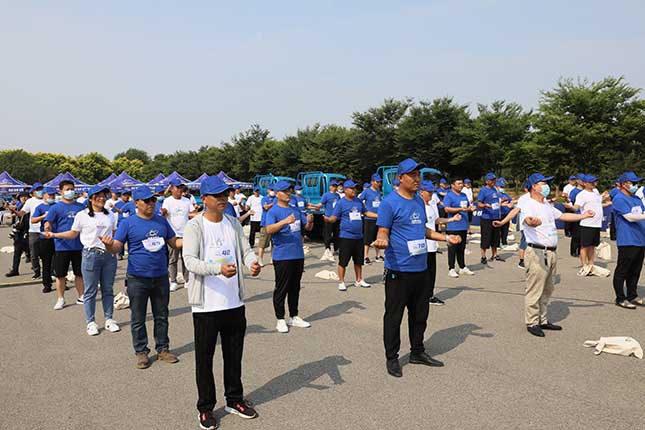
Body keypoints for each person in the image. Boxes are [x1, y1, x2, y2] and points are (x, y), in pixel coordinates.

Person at [183, 176, 261, 428]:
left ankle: (234, 399)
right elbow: (190, 262)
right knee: (204, 359)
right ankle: (205, 407)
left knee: (233, 355)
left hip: (233, 303)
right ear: (204, 198)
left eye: (225, 194)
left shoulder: (233, 223)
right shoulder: (195, 226)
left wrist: (251, 263)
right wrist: (217, 268)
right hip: (206, 306)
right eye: (217, 195)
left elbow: (245, 250)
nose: (222, 199)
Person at [372, 158, 461, 377]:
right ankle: (392, 358)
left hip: (420, 269)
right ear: (400, 178)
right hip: (398, 270)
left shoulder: (419, 202)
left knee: (420, 315)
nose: (417, 179)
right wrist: (382, 240)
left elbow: (422, 230)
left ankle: (417, 351)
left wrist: (446, 238)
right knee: (394, 317)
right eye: (412, 175)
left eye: (418, 175)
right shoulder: (389, 203)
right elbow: (383, 231)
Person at [493, 173, 594, 337]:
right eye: (543, 183)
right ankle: (532, 322)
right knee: (535, 289)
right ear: (534, 186)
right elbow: (526, 219)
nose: (546, 186)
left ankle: (543, 319)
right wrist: (531, 222)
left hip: (551, 252)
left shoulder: (546, 204)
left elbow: (562, 216)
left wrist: (583, 216)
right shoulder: (528, 203)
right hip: (537, 252)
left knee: (547, 289)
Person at [102, 185, 182, 369]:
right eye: (147, 200)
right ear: (136, 202)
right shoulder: (128, 223)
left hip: (160, 277)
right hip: (138, 278)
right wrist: (108, 245)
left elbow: (174, 242)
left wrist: (192, 240)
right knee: (138, 318)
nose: (151, 203)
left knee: (161, 315)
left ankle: (162, 349)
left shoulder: (162, 222)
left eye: (153, 200)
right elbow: (116, 247)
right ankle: (141, 352)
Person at [45, 185, 121, 336]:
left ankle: (109, 319)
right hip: (90, 255)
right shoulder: (82, 215)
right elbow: (73, 234)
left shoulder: (110, 215)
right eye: (98, 196)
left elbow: (114, 233)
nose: (101, 198)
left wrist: (114, 245)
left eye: (103, 195)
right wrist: (55, 235)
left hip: (109, 255)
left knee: (107, 289)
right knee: (90, 291)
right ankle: (91, 322)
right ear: (91, 198)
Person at [265, 180, 314, 333]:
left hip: (297, 254)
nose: (288, 194)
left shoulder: (296, 210)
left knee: (295, 287)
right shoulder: (273, 211)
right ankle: (280, 319)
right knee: (282, 288)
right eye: (285, 191)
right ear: (277, 194)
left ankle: (294, 316)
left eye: (289, 191)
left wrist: (310, 222)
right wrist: (285, 221)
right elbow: (269, 229)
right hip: (282, 256)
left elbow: (305, 228)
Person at [43, 180, 86, 310]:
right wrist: (47, 226)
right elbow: (48, 222)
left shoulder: (81, 207)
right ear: (61, 191)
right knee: (60, 274)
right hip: (62, 246)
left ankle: (81, 296)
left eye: (72, 189)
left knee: (80, 273)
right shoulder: (55, 208)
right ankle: (61, 298)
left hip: (79, 245)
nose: (70, 192)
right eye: (67, 189)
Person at [327, 180, 377, 291]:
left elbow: (366, 213)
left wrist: (378, 215)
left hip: (358, 237)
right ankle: (341, 281)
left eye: (355, 188)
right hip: (346, 237)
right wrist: (328, 219)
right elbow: (334, 217)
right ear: (345, 190)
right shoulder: (341, 203)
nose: (354, 190)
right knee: (343, 261)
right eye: (352, 188)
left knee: (359, 261)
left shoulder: (359, 201)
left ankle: (359, 280)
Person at [419, 181, 461, 305]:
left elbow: (436, 220)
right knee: (421, 274)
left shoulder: (431, 206)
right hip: (422, 246)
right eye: (429, 192)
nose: (431, 195)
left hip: (432, 246)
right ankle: (420, 297)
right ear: (421, 192)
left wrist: (451, 219)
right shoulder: (417, 206)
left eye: (432, 192)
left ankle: (429, 296)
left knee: (431, 273)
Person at [610, 172, 645, 309]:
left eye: (637, 182)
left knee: (635, 270)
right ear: (624, 184)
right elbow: (629, 217)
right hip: (627, 240)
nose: (636, 185)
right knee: (623, 270)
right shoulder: (619, 198)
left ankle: (632, 295)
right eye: (633, 182)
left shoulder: (636, 198)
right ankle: (620, 298)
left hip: (640, 239)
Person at [162, 179, 196, 292]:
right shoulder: (167, 201)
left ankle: (187, 280)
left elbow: (191, 214)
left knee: (186, 258)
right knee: (173, 259)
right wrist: (162, 212)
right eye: (177, 187)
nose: (180, 190)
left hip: (186, 234)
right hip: (173, 235)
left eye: (181, 187)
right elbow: (164, 211)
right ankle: (173, 281)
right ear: (172, 188)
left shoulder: (186, 201)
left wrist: (200, 214)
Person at [570, 174, 605, 274]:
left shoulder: (596, 192)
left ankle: (591, 264)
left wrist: (606, 201)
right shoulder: (582, 195)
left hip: (596, 224)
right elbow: (576, 207)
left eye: (595, 181)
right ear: (585, 183)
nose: (594, 184)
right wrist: (570, 207)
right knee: (584, 246)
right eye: (591, 182)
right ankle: (584, 265)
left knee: (592, 246)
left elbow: (598, 204)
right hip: (587, 224)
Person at [442, 177, 476, 278]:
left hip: (463, 225)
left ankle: (462, 267)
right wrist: (460, 209)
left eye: (461, 184)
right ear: (452, 185)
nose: (461, 185)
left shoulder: (464, 195)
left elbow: (467, 208)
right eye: (458, 184)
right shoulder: (449, 196)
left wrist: (471, 208)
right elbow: (447, 209)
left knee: (462, 248)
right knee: (452, 249)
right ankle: (451, 268)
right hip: (453, 226)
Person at [14, 182, 44, 279]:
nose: (40, 191)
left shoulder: (47, 199)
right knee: (33, 253)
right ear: (33, 192)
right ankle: (37, 271)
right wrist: (15, 211)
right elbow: (22, 212)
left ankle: (50, 271)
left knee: (47, 253)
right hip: (33, 230)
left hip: (46, 230)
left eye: (41, 189)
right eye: (37, 190)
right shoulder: (30, 201)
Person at [30, 187, 57, 292]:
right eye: (49, 195)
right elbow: (33, 220)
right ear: (44, 195)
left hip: (57, 236)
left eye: (53, 195)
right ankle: (47, 284)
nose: (52, 197)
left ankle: (62, 281)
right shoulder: (40, 207)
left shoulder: (57, 206)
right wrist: (44, 216)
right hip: (45, 238)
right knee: (46, 262)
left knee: (59, 262)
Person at [477, 172, 504, 264]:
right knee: (486, 237)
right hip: (486, 218)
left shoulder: (495, 189)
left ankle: (495, 255)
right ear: (487, 181)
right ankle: (483, 256)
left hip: (496, 217)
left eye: (494, 179)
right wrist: (485, 205)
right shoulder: (483, 190)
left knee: (496, 237)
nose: (493, 181)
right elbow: (479, 203)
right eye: (491, 180)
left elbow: (497, 201)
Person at [4, 192, 30, 277]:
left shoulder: (31, 206)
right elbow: (18, 215)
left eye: (25, 196)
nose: (23, 198)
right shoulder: (20, 206)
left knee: (35, 253)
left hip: (29, 232)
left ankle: (38, 270)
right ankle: (15, 270)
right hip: (20, 232)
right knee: (17, 252)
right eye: (22, 197)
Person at [360, 173, 383, 264]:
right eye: (377, 182)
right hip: (369, 219)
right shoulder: (367, 191)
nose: (378, 183)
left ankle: (378, 255)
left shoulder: (378, 192)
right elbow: (359, 200)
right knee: (367, 239)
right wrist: (364, 210)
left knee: (377, 237)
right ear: (372, 182)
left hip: (378, 218)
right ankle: (365, 256)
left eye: (379, 182)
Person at [318, 180, 341, 261]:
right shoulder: (326, 195)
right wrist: (314, 206)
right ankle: (327, 249)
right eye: (334, 186)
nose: (335, 187)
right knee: (328, 234)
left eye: (336, 186)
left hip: (337, 218)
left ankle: (336, 249)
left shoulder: (338, 195)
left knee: (337, 234)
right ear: (330, 186)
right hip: (328, 218)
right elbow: (321, 204)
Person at [564, 174, 585, 257]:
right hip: (577, 215)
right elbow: (571, 201)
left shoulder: (587, 191)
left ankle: (581, 251)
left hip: (585, 216)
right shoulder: (574, 191)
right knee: (576, 234)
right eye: (583, 180)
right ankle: (573, 251)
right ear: (578, 181)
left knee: (583, 235)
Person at [257, 186, 276, 266]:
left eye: (273, 190)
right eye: (271, 190)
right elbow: (266, 207)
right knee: (263, 242)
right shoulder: (264, 199)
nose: (273, 191)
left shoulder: (276, 198)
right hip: (265, 223)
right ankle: (260, 259)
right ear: (268, 190)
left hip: (275, 223)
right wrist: (273, 204)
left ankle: (272, 258)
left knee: (274, 242)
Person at [497, 179, 514, 247]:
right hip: (498, 214)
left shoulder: (505, 195)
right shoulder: (495, 195)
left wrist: (511, 203)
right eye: (501, 187)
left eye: (503, 187)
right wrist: (502, 201)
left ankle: (504, 241)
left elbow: (511, 201)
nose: (502, 188)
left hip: (506, 215)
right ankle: (497, 243)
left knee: (505, 229)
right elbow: (495, 204)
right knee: (498, 230)